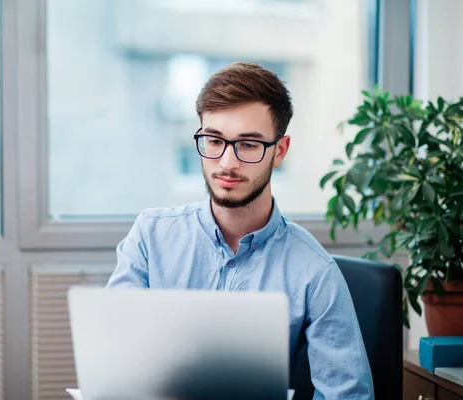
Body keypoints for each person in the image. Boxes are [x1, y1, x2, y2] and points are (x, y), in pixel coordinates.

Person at [106, 62, 374, 399]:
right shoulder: (150, 237)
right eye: (214, 140)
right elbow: (113, 367)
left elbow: (347, 394)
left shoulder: (314, 271)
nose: (227, 163)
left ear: (280, 151)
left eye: (248, 145)